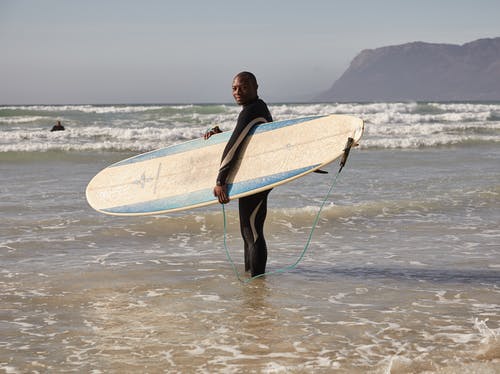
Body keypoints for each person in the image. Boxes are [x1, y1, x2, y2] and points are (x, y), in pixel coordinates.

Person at [205, 72, 273, 277]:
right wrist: (220, 136)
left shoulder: (252, 110)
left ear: (255, 87)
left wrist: (220, 181)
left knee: (251, 230)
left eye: (243, 87)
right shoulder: (255, 109)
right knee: (248, 230)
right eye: (234, 88)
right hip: (255, 176)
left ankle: (257, 282)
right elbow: (246, 140)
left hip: (258, 178)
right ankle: (251, 277)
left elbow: (234, 147)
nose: (237, 92)